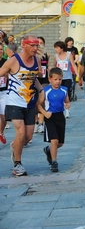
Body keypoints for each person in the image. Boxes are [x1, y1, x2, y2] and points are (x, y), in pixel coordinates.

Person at [0, 34, 42, 176]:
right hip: (14, 102)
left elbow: (34, 77)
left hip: (30, 102)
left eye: (37, 45)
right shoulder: (13, 61)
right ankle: (17, 164)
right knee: (21, 133)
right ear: (23, 45)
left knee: (28, 137)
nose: (35, 48)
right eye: (32, 45)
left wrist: (41, 90)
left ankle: (15, 146)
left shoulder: (37, 60)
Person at [38, 67, 70, 172]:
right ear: (50, 79)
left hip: (60, 116)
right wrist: (44, 113)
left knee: (60, 143)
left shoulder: (64, 90)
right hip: (50, 117)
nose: (58, 82)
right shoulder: (46, 91)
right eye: (55, 79)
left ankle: (48, 150)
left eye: (60, 79)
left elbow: (66, 100)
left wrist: (67, 104)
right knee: (54, 140)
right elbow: (38, 104)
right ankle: (54, 162)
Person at [54, 41, 77, 118]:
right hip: (58, 78)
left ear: (62, 48)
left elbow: (73, 64)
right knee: (59, 94)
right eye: (55, 48)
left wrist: (77, 74)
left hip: (67, 77)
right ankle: (61, 109)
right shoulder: (56, 56)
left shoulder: (68, 55)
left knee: (66, 93)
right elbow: (54, 67)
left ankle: (67, 110)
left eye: (57, 48)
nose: (56, 49)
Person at [0, 43, 8, 144]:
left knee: (4, 117)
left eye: (1, 49)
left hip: (4, 92)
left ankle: (1, 132)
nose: (0, 51)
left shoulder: (6, 62)